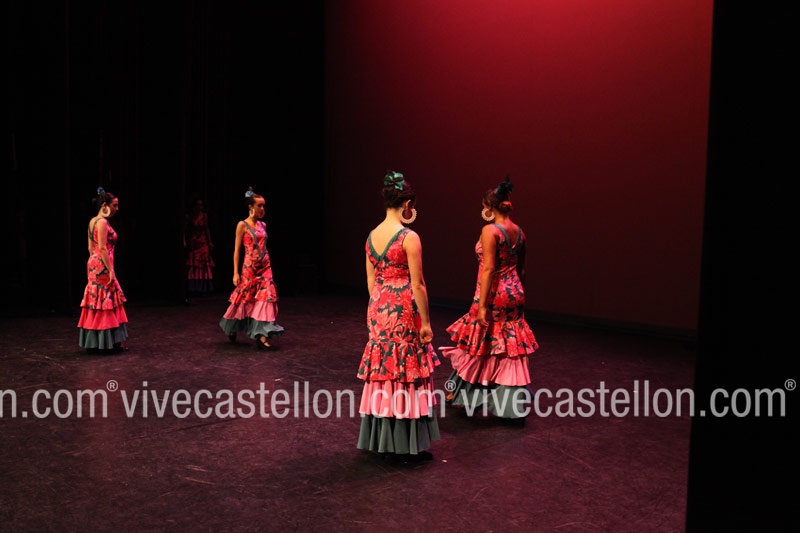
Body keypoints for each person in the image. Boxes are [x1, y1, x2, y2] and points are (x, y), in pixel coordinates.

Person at [357, 170, 440, 462]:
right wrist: (426, 322)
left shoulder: (371, 237)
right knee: (404, 373)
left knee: (385, 372)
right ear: (407, 204)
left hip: (379, 306)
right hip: (403, 308)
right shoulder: (408, 237)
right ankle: (403, 445)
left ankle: (384, 439)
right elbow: (418, 284)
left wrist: (380, 306)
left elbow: (371, 283)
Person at [440, 176, 538, 419]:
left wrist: (482, 305)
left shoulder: (490, 230)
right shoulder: (520, 232)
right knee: (508, 348)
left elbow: (488, 269)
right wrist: (516, 295)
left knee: (481, 342)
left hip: (494, 293)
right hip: (515, 293)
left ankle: (465, 395)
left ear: (489, 207)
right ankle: (507, 404)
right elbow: (523, 270)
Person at [219, 187, 284, 349]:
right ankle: (233, 325)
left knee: (266, 299)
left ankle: (261, 335)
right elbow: (237, 250)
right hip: (250, 267)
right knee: (245, 298)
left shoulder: (263, 225)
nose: (262, 209)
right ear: (251, 206)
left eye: (263, 206)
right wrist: (235, 272)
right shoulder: (242, 225)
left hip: (265, 267)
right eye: (259, 205)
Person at [77, 187, 129, 354]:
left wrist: (94, 264)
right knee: (107, 299)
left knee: (97, 299)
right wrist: (110, 269)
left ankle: (97, 342)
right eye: (115, 205)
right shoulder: (103, 222)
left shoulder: (92, 221)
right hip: (103, 264)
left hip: (93, 263)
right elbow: (102, 248)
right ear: (105, 205)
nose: (117, 209)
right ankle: (108, 342)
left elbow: (90, 248)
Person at [184, 196, 215, 299]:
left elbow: (206, 228)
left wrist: (209, 241)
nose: (199, 207)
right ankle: (193, 288)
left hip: (202, 241)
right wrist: (184, 241)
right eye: (197, 205)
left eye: (201, 205)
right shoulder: (189, 216)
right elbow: (185, 229)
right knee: (193, 264)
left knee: (203, 264)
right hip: (193, 242)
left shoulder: (204, 216)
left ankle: (203, 288)